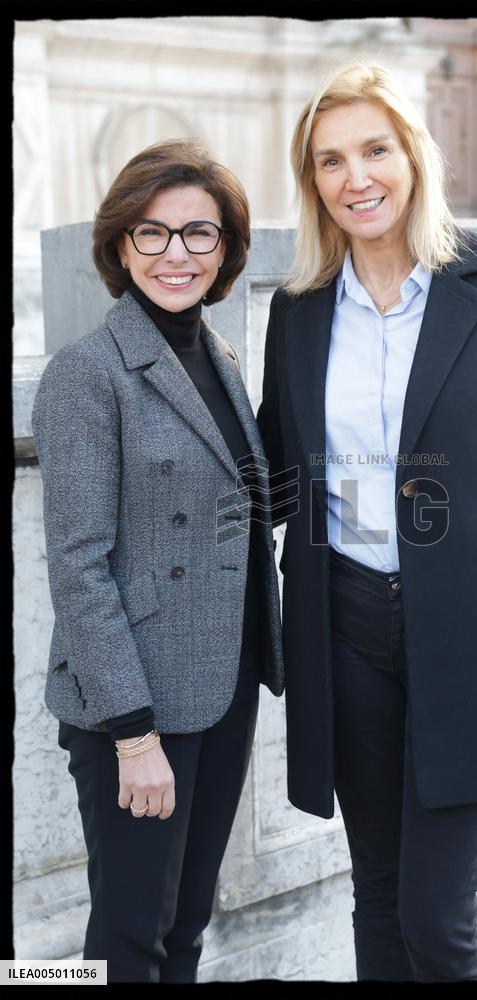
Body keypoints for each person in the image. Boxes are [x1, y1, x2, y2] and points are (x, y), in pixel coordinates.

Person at [257, 62, 477, 982]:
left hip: (473, 634)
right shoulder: (299, 309)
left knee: (437, 918)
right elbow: (276, 469)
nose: (355, 178)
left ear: (413, 156)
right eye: (330, 160)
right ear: (312, 180)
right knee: (378, 896)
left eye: (375, 150)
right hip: (344, 626)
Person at [32, 138, 284, 984]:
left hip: (223, 683)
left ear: (227, 248)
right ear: (120, 245)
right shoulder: (87, 375)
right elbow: (78, 566)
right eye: (153, 232)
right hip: (135, 704)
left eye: (199, 233)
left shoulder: (219, 357)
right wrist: (132, 736)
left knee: (185, 926)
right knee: (132, 937)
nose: (177, 254)